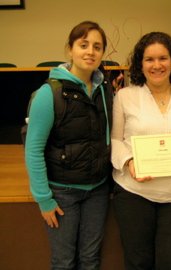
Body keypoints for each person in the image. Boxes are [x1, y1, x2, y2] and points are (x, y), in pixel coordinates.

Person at [111, 31, 171, 270]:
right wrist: (129, 162)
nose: (157, 65)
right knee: (138, 262)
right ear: (140, 64)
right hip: (134, 192)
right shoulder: (124, 97)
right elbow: (115, 139)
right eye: (149, 59)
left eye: (163, 58)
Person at [25, 21, 113, 269]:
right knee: (64, 262)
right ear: (69, 50)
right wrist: (44, 199)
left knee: (90, 260)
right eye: (83, 45)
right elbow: (33, 150)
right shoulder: (48, 93)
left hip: (97, 190)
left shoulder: (104, 89)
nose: (90, 52)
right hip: (63, 193)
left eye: (97, 47)